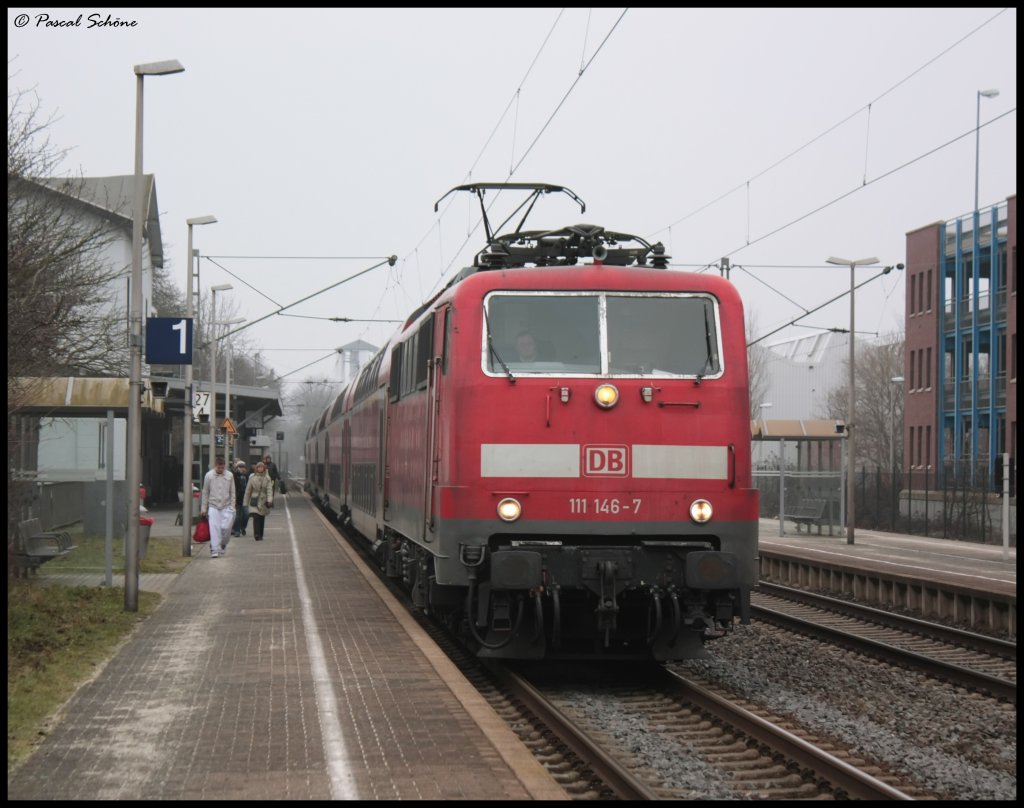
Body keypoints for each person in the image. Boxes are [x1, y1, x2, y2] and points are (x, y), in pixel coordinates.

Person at [200, 455, 236, 559]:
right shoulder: (209, 475)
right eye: (218, 467)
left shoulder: (230, 475)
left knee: (226, 527)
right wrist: (204, 508)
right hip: (213, 506)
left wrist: (233, 506)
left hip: (227, 506)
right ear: (215, 466)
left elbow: (232, 492)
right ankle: (214, 549)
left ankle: (223, 543)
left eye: (222, 467)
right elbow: (205, 492)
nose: (220, 469)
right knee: (214, 528)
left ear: (224, 466)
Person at [244, 461, 275, 541]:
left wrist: (269, 500)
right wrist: (245, 502)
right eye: (259, 467)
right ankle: (256, 534)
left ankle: (261, 534)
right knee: (256, 517)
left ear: (264, 468)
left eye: (262, 467)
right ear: (256, 468)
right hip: (254, 500)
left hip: (263, 501)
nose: (260, 468)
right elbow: (248, 491)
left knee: (261, 518)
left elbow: (269, 490)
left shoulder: (267, 479)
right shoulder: (252, 478)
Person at [231, 460, 251, 537]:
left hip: (245, 498)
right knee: (237, 516)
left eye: (243, 467)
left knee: (246, 514)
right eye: (240, 467)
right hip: (237, 498)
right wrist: (236, 472)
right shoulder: (234, 475)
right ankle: (237, 530)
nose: (242, 468)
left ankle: (243, 527)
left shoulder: (247, 475)